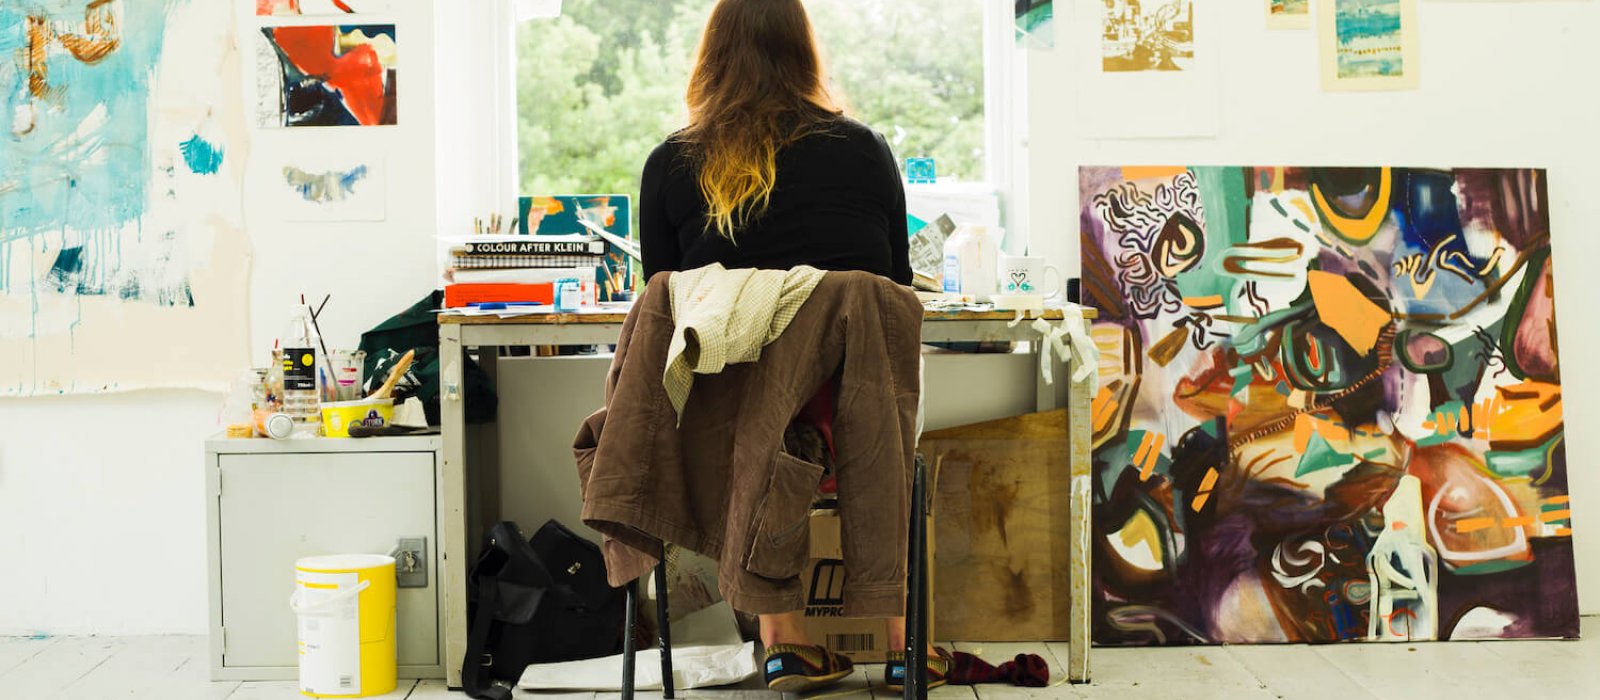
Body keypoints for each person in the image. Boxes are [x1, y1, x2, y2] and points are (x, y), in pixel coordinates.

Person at [637, 0, 942, 691]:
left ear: (710, 58)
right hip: (853, 425)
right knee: (874, 370)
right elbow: (894, 290)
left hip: (728, 436)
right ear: (805, 54)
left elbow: (662, 306)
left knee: (752, 409)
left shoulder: (670, 165)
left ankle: (783, 640)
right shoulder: (863, 150)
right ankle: (904, 643)